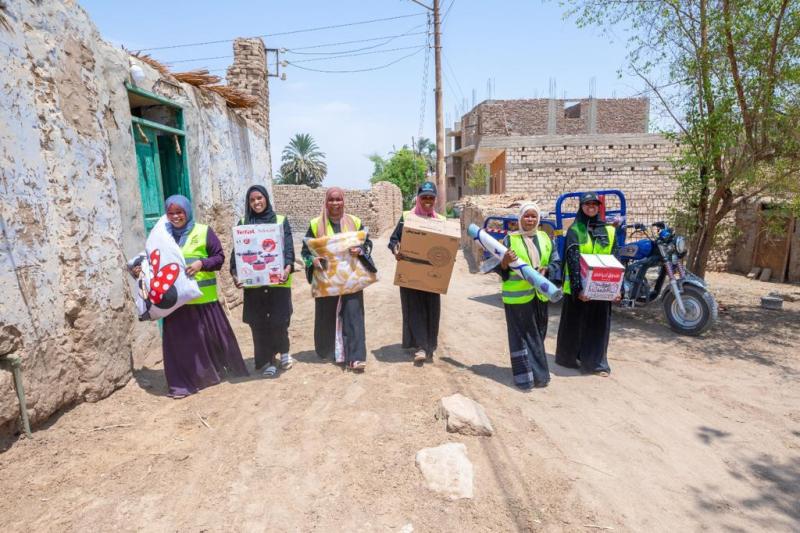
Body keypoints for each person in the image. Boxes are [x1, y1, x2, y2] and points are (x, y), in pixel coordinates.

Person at [131, 195, 249, 398]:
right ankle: (182, 384)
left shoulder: (203, 231)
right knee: (180, 346)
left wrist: (201, 264)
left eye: (180, 212)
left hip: (203, 301)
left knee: (209, 341)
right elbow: (152, 260)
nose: (176, 217)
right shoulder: (162, 235)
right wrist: (139, 270)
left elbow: (219, 258)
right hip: (176, 304)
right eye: (171, 213)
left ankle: (212, 375)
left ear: (187, 212)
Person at [300, 187, 374, 372]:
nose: (335, 203)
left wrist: (361, 251)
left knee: (353, 315)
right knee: (327, 315)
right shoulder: (316, 224)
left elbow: (367, 244)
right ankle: (329, 351)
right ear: (326, 202)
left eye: (338, 199)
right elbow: (305, 252)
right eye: (331, 200)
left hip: (351, 278)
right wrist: (313, 261)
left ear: (343, 201)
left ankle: (355, 357)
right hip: (327, 280)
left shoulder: (355, 222)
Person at [230, 185, 294, 378]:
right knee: (258, 323)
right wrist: (235, 275)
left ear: (266, 198)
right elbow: (237, 255)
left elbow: (289, 249)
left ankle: (283, 351)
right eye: (252, 200)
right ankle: (267, 361)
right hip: (255, 285)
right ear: (248, 203)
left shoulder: (280, 221)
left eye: (259, 198)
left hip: (278, 282)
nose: (256, 202)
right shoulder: (243, 223)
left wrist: (287, 268)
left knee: (279, 320)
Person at [555, 192, 618, 377]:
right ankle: (568, 358)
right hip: (579, 288)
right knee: (574, 325)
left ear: (598, 207)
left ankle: (596, 363)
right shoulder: (575, 230)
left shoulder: (610, 231)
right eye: (587, 204)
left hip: (602, 287)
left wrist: (617, 289)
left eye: (594, 204)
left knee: (598, 326)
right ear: (581, 207)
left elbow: (616, 260)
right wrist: (578, 290)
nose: (591, 207)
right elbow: (572, 260)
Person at [496, 202, 558, 389]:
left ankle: (535, 371)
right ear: (520, 218)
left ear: (538, 219)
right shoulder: (509, 240)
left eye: (533, 216)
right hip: (517, 298)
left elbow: (556, 262)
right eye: (526, 216)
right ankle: (530, 377)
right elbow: (499, 267)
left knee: (538, 335)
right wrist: (505, 262)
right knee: (523, 337)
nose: (530, 220)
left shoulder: (546, 238)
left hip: (540, 296)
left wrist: (547, 269)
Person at [388, 181, 445, 365]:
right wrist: (396, 250)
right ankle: (420, 346)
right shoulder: (407, 217)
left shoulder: (441, 221)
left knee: (432, 310)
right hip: (411, 272)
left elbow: (448, 247)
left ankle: (429, 345)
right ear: (418, 198)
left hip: (432, 275)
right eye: (424, 197)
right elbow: (393, 240)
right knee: (414, 309)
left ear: (435, 199)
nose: (427, 200)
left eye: (431, 197)